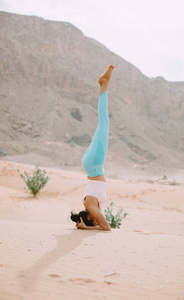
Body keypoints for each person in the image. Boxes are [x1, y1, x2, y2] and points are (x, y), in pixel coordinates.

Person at [70, 65, 115, 231]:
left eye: (94, 221)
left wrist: (86, 228)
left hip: (94, 165)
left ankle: (104, 84)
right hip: (92, 165)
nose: (96, 220)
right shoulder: (89, 205)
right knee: (103, 124)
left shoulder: (91, 207)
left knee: (104, 122)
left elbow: (106, 227)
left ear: (89, 217)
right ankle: (104, 84)